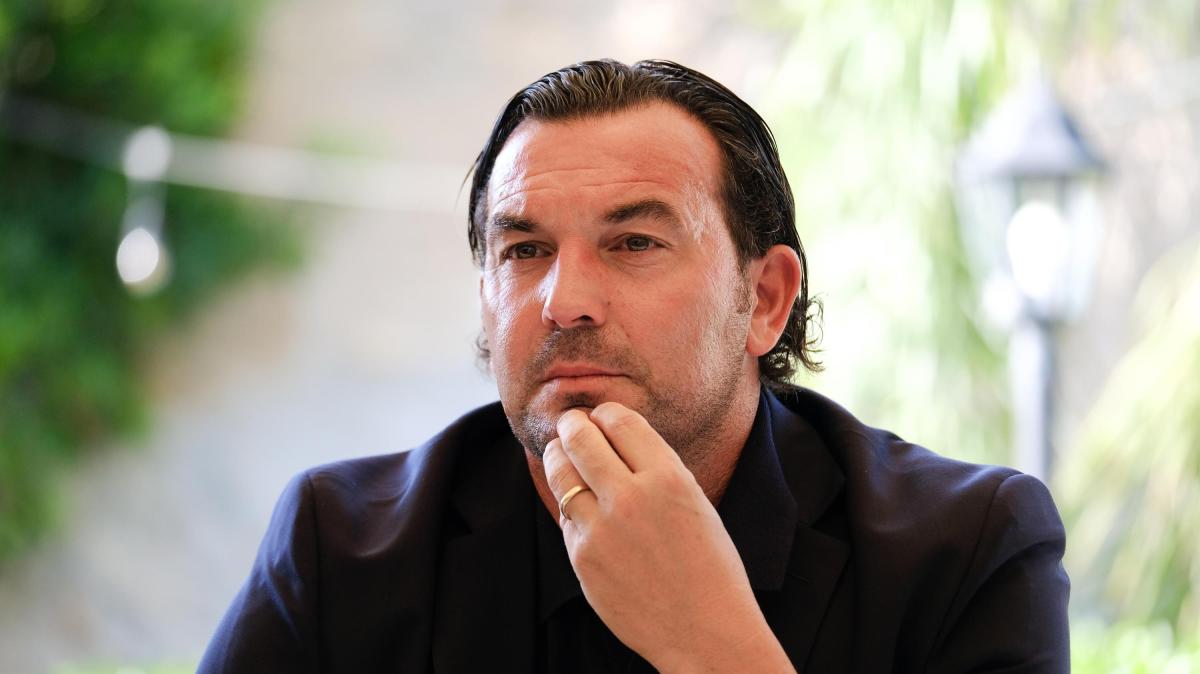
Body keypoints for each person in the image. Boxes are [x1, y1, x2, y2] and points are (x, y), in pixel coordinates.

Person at [199, 59, 1070, 673]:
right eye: (525, 250)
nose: (565, 300)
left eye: (634, 242)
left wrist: (711, 643)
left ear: (764, 299)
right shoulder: (343, 550)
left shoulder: (967, 552)